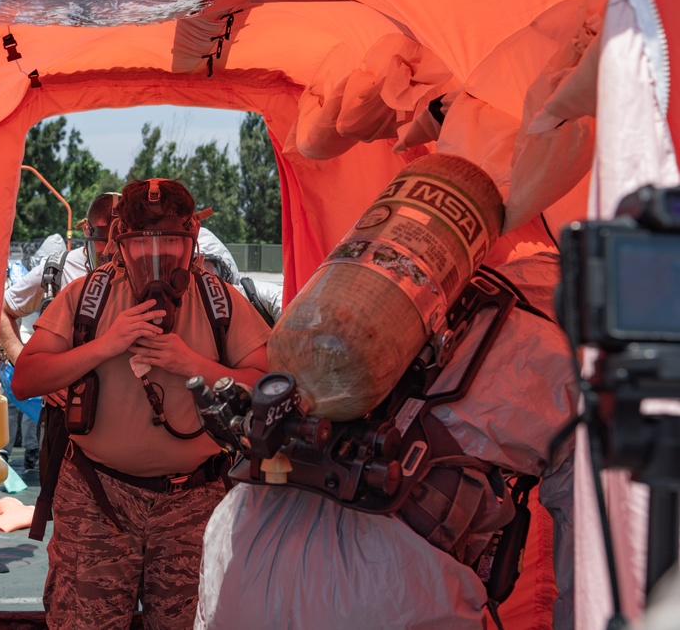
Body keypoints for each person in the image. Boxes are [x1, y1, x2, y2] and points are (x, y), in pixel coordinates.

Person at [194, 245, 577, 629]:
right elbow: (598, 565)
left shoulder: (405, 312)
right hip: (384, 589)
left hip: (239, 552)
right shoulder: (562, 364)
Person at [11, 178, 271, 629]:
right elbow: (26, 379)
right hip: (98, 499)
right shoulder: (86, 297)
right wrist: (105, 345)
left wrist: (191, 362)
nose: (158, 258)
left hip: (192, 501)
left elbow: (270, 387)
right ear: (119, 246)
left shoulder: (219, 301)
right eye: (140, 244)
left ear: (192, 243)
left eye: (172, 242)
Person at [0, 193, 120, 471]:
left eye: (121, 240)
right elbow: (2, 311)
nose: (111, 250)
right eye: (103, 240)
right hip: (66, 421)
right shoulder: (58, 269)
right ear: (86, 231)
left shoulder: (145, 271)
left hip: (126, 422)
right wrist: (31, 369)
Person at [197, 227, 282, 326]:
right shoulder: (181, 318)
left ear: (221, 267)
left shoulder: (253, 294)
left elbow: (284, 303)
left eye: (202, 264)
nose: (199, 274)